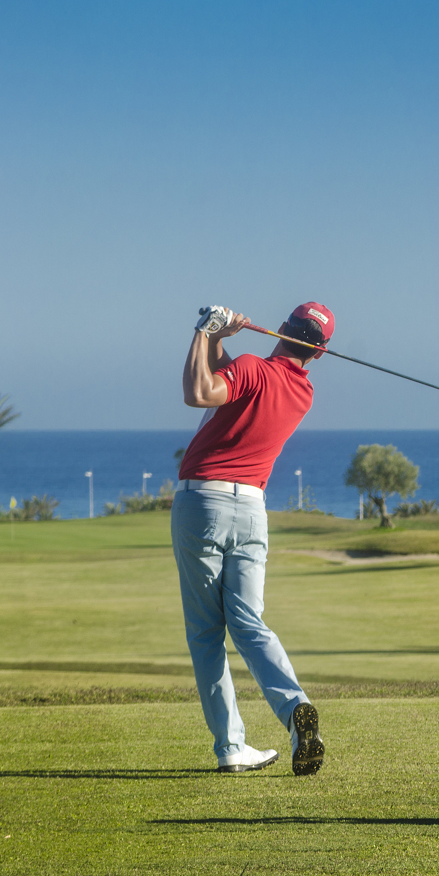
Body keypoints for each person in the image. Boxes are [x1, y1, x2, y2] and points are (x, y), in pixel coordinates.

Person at [173, 301, 331, 775]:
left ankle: (230, 748)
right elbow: (237, 384)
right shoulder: (301, 392)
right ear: (319, 354)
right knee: (248, 622)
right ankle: (294, 708)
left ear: (281, 329)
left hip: (204, 502)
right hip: (252, 512)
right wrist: (221, 341)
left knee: (206, 633)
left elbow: (200, 392)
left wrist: (204, 331)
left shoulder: (252, 368)